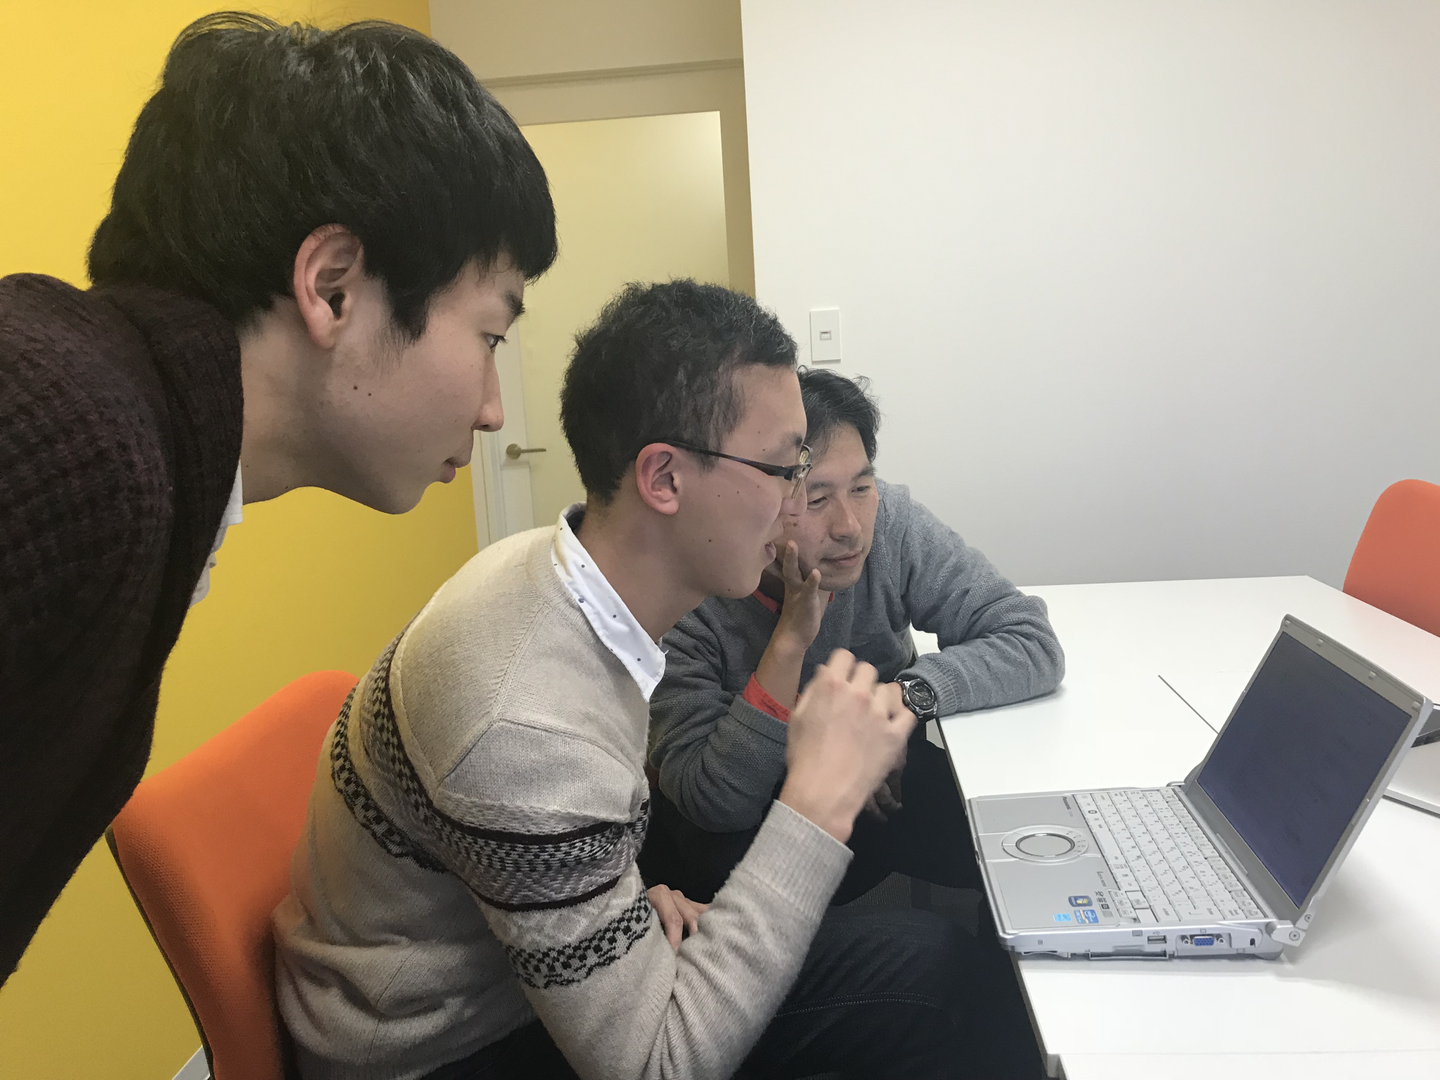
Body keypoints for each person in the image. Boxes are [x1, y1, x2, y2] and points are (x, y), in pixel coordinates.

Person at [273, 281, 1020, 1080]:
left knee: (931, 958)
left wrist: (620, 902)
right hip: (446, 1047)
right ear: (664, 479)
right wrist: (820, 801)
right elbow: (655, 1066)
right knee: (940, 983)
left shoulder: (558, 580)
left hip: (515, 975)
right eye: (784, 469)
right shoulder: (524, 726)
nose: (797, 509)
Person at [0, 14, 556, 983]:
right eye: (490, 337)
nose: (491, 409)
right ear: (333, 288)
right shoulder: (66, 443)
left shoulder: (129, 441)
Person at [642, 368, 1065, 905]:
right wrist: (791, 642)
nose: (850, 526)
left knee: (1018, 850)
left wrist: (895, 704)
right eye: (816, 498)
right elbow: (716, 800)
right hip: (748, 832)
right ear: (755, 496)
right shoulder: (689, 591)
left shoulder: (888, 525)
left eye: (862, 487)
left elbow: (1029, 640)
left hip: (880, 778)